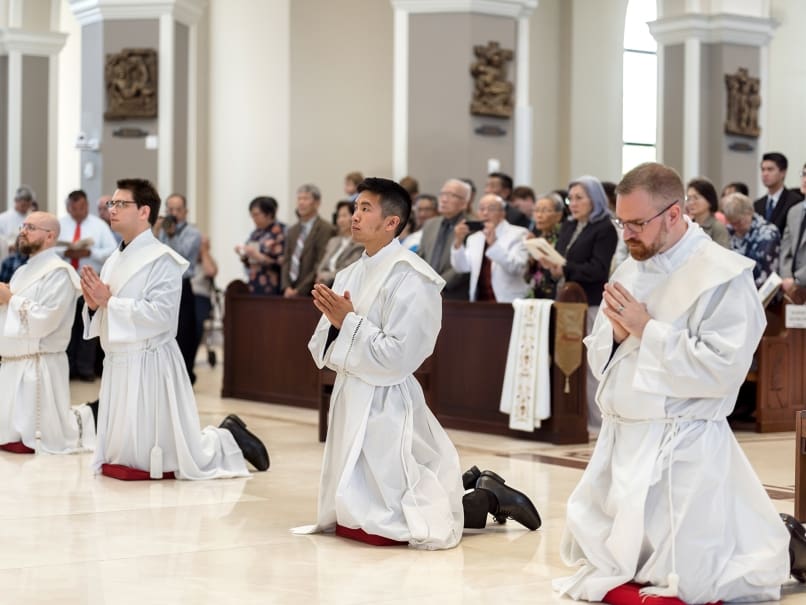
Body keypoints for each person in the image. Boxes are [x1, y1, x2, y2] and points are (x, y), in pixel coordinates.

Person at [554, 162, 796, 603]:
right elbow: (603, 347)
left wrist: (647, 329)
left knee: (696, 571)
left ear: (673, 213)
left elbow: (723, 368)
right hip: (625, 436)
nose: (626, 235)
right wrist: (619, 336)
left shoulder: (723, 275)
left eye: (636, 224)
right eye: (620, 222)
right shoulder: (631, 267)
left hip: (683, 445)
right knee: (622, 561)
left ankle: (794, 544)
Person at [302, 177, 540, 548]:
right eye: (355, 207)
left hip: (388, 400)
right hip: (351, 394)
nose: (355, 215)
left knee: (405, 512)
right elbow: (321, 346)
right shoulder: (349, 273)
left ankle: (488, 497)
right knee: (365, 499)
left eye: (366, 208)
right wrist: (339, 325)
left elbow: (400, 356)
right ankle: (480, 492)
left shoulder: (414, 276)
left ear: (392, 222)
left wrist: (348, 322)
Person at [80, 178, 269, 478]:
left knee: (180, 457)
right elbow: (104, 309)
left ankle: (227, 439)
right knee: (125, 454)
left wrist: (110, 303)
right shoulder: (113, 260)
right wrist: (93, 305)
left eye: (120, 204)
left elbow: (162, 316)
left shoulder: (163, 260)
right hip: (119, 361)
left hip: (150, 362)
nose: (111, 210)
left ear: (144, 211)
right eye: (110, 204)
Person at [0, 211, 96, 453]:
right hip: (14, 362)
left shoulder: (59, 273)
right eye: (23, 226)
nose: (23, 231)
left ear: (50, 236)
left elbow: (46, 319)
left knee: (46, 436)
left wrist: (10, 299)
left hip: (40, 363)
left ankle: (93, 415)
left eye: (31, 227)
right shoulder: (22, 271)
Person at [538, 176, 617, 433]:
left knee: (590, 364)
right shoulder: (569, 226)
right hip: (564, 303)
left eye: (580, 197)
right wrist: (551, 268)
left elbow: (598, 269)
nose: (573, 203)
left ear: (595, 198)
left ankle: (597, 421)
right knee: (564, 364)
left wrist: (565, 268)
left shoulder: (603, 228)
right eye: (570, 198)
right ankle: (570, 418)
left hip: (589, 303)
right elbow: (561, 263)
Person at [59, 190, 118, 382]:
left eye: (82, 207)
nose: (78, 211)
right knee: (66, 324)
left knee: (88, 323)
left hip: (90, 279)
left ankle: (85, 368)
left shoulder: (99, 225)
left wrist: (89, 252)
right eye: (74, 208)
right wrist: (66, 252)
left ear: (87, 205)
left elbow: (111, 251)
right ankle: (68, 367)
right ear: (68, 207)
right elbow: (50, 249)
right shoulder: (61, 224)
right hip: (66, 280)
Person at [157, 193, 202, 384]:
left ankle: (184, 374)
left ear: (186, 211)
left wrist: (172, 234)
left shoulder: (193, 233)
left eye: (178, 209)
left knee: (184, 332)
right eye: (170, 209)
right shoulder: (162, 231)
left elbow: (181, 256)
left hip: (183, 285)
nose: (174, 213)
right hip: (164, 285)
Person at [450, 193, 529, 302]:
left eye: (491, 209)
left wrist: (494, 244)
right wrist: (458, 242)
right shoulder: (474, 238)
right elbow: (462, 267)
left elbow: (517, 268)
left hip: (508, 301)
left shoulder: (518, 234)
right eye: (481, 209)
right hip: (479, 301)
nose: (485, 213)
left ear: (503, 213)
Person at [417, 178, 472, 299]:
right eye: (442, 194)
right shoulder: (430, 224)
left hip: (453, 294)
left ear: (464, 203)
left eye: (452, 195)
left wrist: (439, 285)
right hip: (425, 292)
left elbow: (465, 264)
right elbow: (421, 256)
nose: (444, 199)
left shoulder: (471, 226)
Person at [281, 184, 336, 297]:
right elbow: (286, 260)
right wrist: (286, 287)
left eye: (305, 198)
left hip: (311, 293)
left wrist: (299, 290)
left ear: (317, 203)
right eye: (299, 198)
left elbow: (320, 263)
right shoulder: (292, 230)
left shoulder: (326, 229)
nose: (301, 202)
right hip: (288, 291)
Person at [723, 191, 780, 289]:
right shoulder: (728, 231)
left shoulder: (768, 233)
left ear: (749, 212)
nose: (735, 227)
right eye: (732, 223)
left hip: (759, 293)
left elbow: (766, 276)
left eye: (739, 222)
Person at [237, 196, 285, 296]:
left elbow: (282, 263)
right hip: (254, 284)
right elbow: (250, 261)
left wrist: (259, 256)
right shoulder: (255, 233)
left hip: (273, 287)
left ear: (268, 214)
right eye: (252, 215)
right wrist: (243, 254)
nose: (254, 218)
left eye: (256, 215)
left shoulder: (281, 231)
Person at [525, 192, 565, 299]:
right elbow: (527, 275)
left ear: (559, 215)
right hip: (535, 293)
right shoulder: (535, 236)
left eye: (545, 211)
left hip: (555, 293)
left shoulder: (563, 237)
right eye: (536, 210)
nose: (539, 215)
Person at [753, 152, 804, 233]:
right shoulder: (757, 204)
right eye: (763, 170)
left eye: (770, 169)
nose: (765, 174)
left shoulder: (794, 201)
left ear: (783, 173)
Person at [315, 200, 363, 287]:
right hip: (324, 285)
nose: (340, 220)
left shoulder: (360, 244)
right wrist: (321, 275)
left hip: (343, 286)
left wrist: (325, 277)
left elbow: (347, 269)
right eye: (339, 216)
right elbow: (322, 265)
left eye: (344, 216)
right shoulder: (333, 241)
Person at [779, 162, 806, 300]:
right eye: (804, 174)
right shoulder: (794, 211)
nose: (805, 180)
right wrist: (787, 277)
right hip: (791, 288)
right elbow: (786, 249)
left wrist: (797, 280)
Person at [684, 178, 730, 248]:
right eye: (689, 198)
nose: (691, 202)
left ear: (709, 200)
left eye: (696, 198)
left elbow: (722, 255)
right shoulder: (687, 225)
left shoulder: (717, 228)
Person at [0, 185, 35, 264]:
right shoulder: (3, 218)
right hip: (8, 257)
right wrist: (9, 245)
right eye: (23, 205)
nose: (25, 208)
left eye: (28, 205)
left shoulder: (34, 217)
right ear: (16, 201)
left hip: (28, 256)